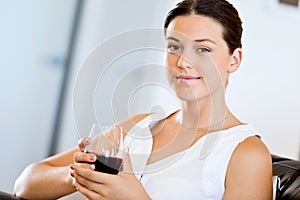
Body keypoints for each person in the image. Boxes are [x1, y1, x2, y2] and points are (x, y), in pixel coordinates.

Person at [14, 0, 273, 199]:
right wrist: (80, 175)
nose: (183, 62)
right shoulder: (138, 126)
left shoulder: (245, 154)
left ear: (234, 60)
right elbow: (26, 183)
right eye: (174, 46)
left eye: (203, 49)